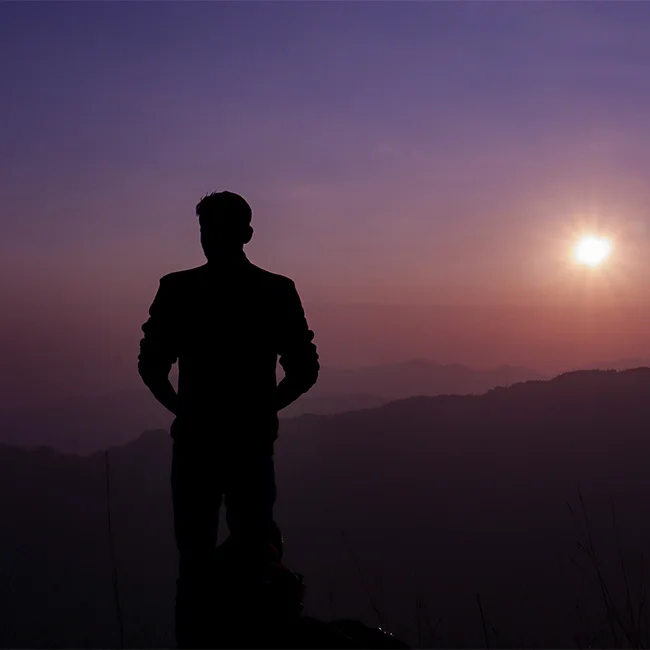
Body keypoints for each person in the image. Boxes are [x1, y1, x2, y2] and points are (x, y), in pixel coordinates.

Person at [137, 191, 320, 647]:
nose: (208, 238)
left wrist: (184, 409)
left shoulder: (178, 289)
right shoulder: (275, 291)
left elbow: (151, 364)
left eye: (209, 228)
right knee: (252, 557)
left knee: (194, 564)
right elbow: (304, 370)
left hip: (197, 443)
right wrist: (264, 408)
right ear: (248, 234)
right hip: (250, 445)